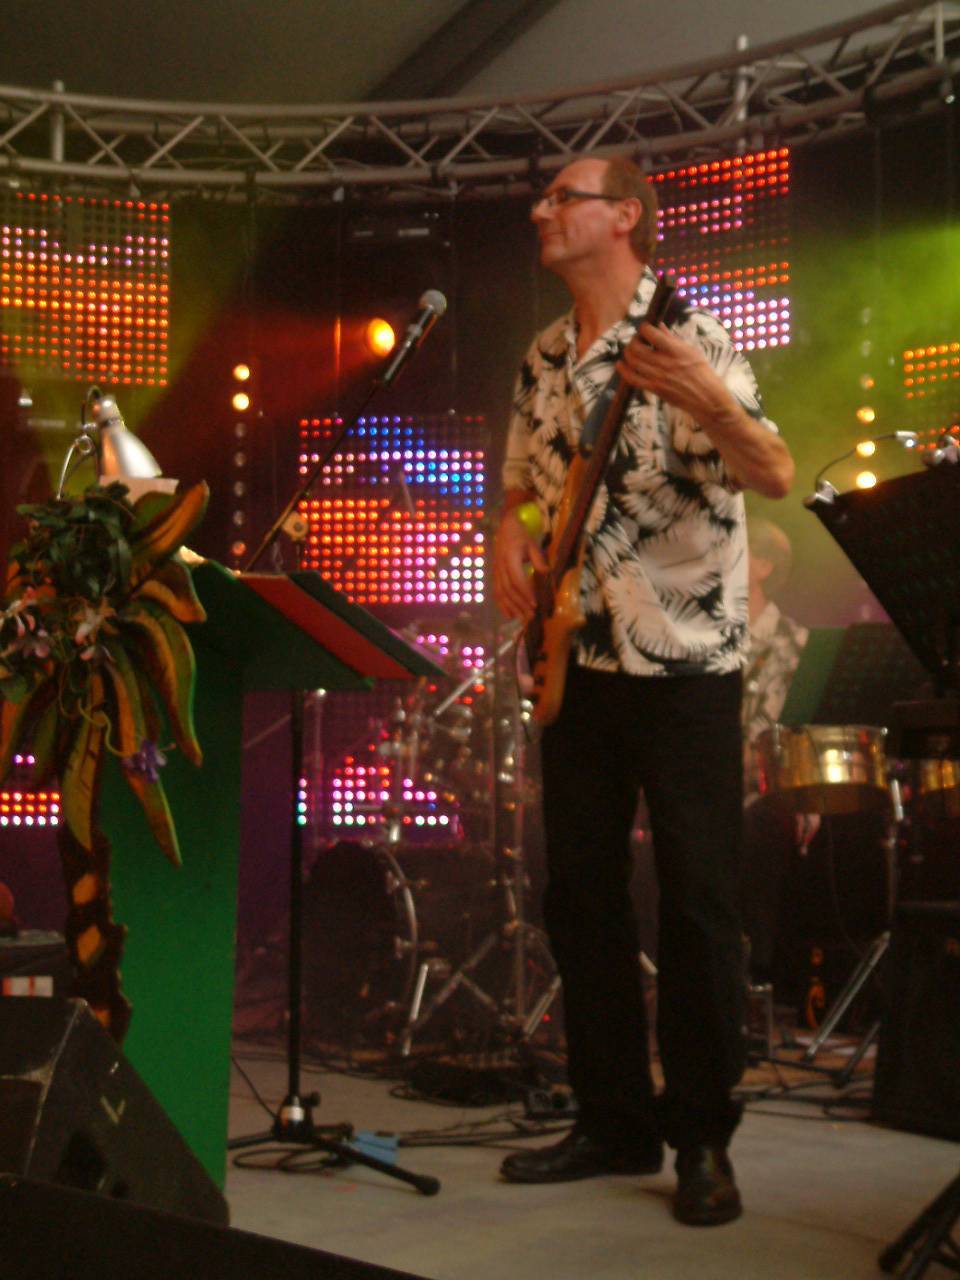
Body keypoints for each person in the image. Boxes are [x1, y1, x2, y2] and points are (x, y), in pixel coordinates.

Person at [492, 154, 794, 1225]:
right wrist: (507, 539)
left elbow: (773, 471)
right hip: (578, 657)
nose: (541, 210)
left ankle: (703, 1134)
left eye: (561, 198)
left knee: (699, 901)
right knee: (579, 894)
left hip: (686, 663)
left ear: (624, 216)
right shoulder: (543, 354)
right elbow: (521, 485)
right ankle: (613, 1116)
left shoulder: (689, 336)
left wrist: (708, 398)